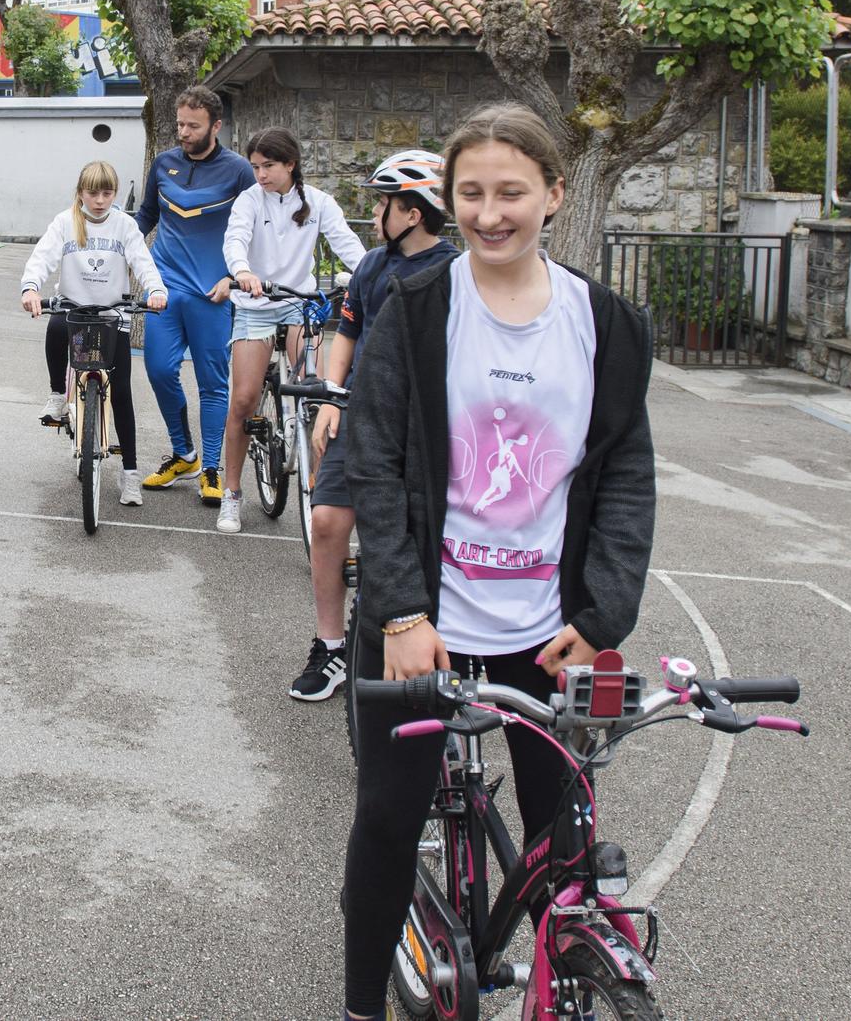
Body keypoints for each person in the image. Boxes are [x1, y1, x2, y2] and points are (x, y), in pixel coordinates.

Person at [338, 103, 656, 1021]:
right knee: (389, 826)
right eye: (468, 192)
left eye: (510, 191)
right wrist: (399, 612)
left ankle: (559, 978)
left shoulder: (607, 323)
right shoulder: (416, 309)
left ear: (554, 193)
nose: (488, 212)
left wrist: (602, 616)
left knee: (567, 842)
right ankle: (363, 1006)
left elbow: (626, 475)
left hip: (545, 632)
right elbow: (377, 461)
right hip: (424, 626)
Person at [290, 150, 457, 701]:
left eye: (385, 202)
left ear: (412, 213)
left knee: (423, 533)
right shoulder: (372, 266)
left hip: (424, 424)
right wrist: (333, 399)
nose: (376, 212)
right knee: (329, 522)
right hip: (360, 412)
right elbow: (348, 334)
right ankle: (330, 645)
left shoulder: (455, 272)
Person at [211, 127, 366, 535]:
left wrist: (370, 275)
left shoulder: (318, 202)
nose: (260, 174)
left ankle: (319, 492)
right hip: (256, 306)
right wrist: (242, 272)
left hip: (300, 304)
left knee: (312, 391)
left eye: (269, 166)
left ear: (291, 164)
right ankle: (232, 494)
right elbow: (235, 240)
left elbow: (347, 245)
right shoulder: (248, 200)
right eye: (256, 167)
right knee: (243, 400)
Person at [19, 160, 170, 506]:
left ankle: (129, 474)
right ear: (80, 192)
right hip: (73, 309)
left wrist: (156, 290)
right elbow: (42, 257)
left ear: (114, 193)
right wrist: (30, 288)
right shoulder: (65, 222)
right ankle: (58, 394)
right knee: (56, 324)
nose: (100, 200)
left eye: (107, 192)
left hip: (113, 314)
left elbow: (143, 261)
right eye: (92, 192)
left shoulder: (124, 225)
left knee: (122, 394)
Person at [134, 84, 257, 506]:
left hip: (213, 291)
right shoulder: (164, 163)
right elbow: (146, 215)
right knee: (159, 369)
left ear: (216, 126)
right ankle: (182, 452)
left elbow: (251, 229)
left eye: (193, 125)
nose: (183, 132)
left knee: (212, 384)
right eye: (180, 123)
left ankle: (210, 467)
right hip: (165, 285)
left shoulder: (239, 171)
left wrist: (233, 276)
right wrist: (116, 251)